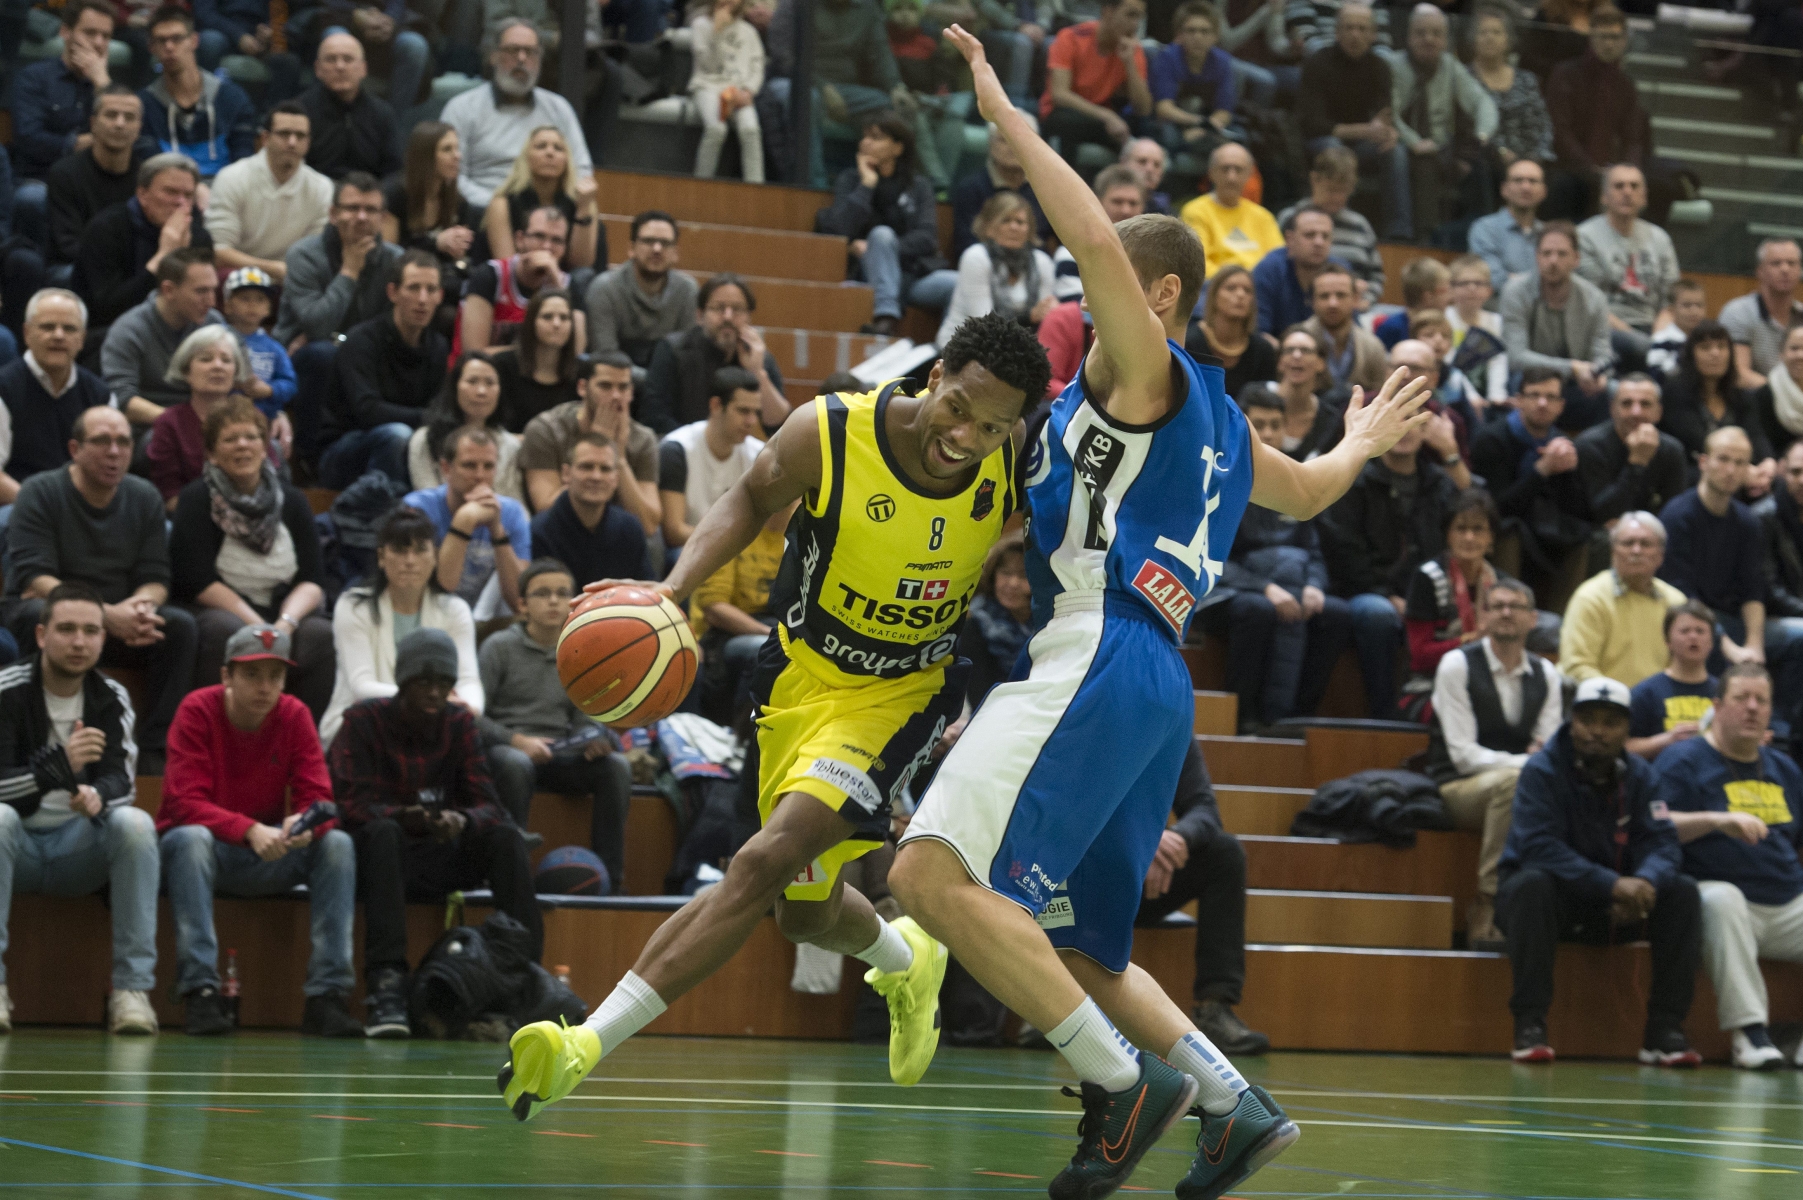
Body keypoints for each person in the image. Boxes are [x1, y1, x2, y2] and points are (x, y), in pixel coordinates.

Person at [886, 30, 1431, 1197]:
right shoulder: (1231, 432)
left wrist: (1009, 122)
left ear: (1158, 295)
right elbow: (1314, 488)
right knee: (1081, 946)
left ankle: (1123, 1086)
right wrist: (1359, 443)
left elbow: (1089, 230)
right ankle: (1233, 1107)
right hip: (1153, 683)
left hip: (1094, 650)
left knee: (927, 878)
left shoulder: (1147, 376)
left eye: (1107, 287)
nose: (1086, 302)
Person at [496, 307, 1052, 1128]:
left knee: (759, 865)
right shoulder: (828, 432)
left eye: (992, 425)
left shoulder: (1016, 470)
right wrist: (674, 591)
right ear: (935, 378)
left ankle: (584, 1045)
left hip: (900, 697)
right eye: (960, 408)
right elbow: (747, 501)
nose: (966, 435)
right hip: (794, 683)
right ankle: (908, 960)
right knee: (801, 911)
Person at [155, 622, 359, 1037]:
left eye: (275, 676)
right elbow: (182, 803)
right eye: (252, 674)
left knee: (336, 844)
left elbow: (320, 802)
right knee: (190, 839)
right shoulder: (197, 709)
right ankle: (200, 992)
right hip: (209, 851)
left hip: (271, 849)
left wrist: (304, 827)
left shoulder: (294, 714)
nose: (265, 687)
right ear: (226, 675)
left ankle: (327, 996)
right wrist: (249, 829)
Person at [332, 627, 536, 1038]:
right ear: (403, 682)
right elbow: (348, 803)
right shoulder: (362, 720)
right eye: (424, 683)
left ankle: (524, 976)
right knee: (383, 831)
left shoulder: (459, 723)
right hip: (381, 861)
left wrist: (463, 821)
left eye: (444, 684)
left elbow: (488, 804)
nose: (434, 693)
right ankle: (386, 984)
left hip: (441, 852)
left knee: (505, 838)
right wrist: (406, 816)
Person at [1494, 675, 1704, 1065]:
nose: (1597, 731)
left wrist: (1645, 882)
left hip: (1617, 906)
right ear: (1572, 721)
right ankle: (1529, 1025)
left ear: (1627, 729)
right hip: (1551, 904)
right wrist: (1611, 885)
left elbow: (1662, 843)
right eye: (1588, 720)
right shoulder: (1541, 770)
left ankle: (1664, 1031)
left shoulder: (1643, 776)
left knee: (1684, 892)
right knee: (1530, 884)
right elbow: (1539, 848)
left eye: (1610, 723)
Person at [0, 580, 158, 1036]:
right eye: (66, 629)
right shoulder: (8, 691)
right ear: (41, 635)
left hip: (78, 849)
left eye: (90, 631)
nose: (78, 641)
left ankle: (132, 991)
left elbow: (120, 781)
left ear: (103, 639)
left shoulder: (111, 697)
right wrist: (57, 768)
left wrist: (98, 796)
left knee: (134, 822)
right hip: (19, 844)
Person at [5, 406, 196, 771]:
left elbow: (156, 577)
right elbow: (36, 578)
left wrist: (140, 608)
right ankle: (31, 745)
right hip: (54, 614)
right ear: (75, 449)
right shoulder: (39, 491)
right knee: (33, 616)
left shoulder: (144, 496)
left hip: (121, 618)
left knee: (179, 627)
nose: (114, 452)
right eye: (102, 442)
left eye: (124, 442)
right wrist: (106, 617)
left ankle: (155, 753)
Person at [1657, 664, 1803, 1070]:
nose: (1753, 709)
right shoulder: (1681, 761)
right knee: (1724, 900)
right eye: (1742, 699)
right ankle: (1750, 1034)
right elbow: (1654, 827)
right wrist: (1717, 820)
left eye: (1762, 701)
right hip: (1717, 897)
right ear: (1717, 706)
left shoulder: (1785, 769)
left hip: (1785, 902)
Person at [1197, 388, 1351, 731]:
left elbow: (1314, 552)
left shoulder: (1296, 480)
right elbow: (1211, 558)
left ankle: (1297, 717)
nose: (1267, 434)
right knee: (1257, 610)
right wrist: (1265, 588)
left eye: (1275, 425)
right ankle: (1244, 716)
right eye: (1259, 425)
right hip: (1227, 591)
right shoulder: (1220, 480)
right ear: (1244, 428)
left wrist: (1314, 585)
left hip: (1290, 585)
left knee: (1335, 613)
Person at [169, 396, 331, 717]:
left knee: (319, 635)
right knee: (222, 630)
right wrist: (257, 627)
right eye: (230, 439)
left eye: (251, 437)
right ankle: (215, 732)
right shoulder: (195, 499)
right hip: (223, 608)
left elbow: (312, 580)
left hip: (282, 609)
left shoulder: (294, 500)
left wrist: (284, 626)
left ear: (265, 446)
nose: (242, 445)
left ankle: (299, 736)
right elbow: (197, 580)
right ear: (212, 454)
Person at [1427, 578, 1562, 949]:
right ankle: (1488, 903)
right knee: (1513, 784)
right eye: (1497, 606)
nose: (1506, 613)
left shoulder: (1547, 674)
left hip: (1519, 784)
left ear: (1533, 619)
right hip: (1456, 785)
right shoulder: (1457, 665)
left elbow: (1549, 753)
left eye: (1515, 607)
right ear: (1482, 616)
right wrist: (1525, 762)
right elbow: (1463, 756)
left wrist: (1532, 764)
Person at [479, 558, 634, 880]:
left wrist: (594, 738)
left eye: (563, 593)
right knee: (514, 764)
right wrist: (516, 741)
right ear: (522, 604)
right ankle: (510, 872)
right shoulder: (498, 647)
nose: (554, 601)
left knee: (617, 767)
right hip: (511, 750)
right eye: (543, 593)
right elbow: (473, 718)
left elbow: (586, 716)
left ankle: (611, 877)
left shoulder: (580, 652)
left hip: (562, 751)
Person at [1128, 737, 1268, 1056]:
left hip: (1145, 882)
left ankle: (1214, 1009)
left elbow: (1204, 811)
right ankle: (1047, 1003)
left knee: (1224, 854)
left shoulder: (1172, 732)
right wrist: (1142, 843)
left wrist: (1176, 838)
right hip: (1087, 876)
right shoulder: (1090, 724)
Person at [1659, 426, 1803, 719]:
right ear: (1703, 462)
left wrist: (1754, 644)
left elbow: (1753, 588)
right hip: (1693, 622)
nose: (1731, 470)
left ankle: (1780, 730)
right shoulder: (1678, 516)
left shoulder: (1747, 520)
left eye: (1740, 463)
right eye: (1723, 459)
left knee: (1798, 637)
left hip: (1735, 620)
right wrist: (1731, 648)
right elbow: (1683, 597)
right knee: (1701, 641)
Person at [1322, 418, 1461, 717]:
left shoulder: (1439, 483)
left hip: (1424, 593)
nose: (1404, 430)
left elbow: (1464, 532)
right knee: (1378, 616)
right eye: (1398, 420)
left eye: (1413, 422)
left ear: (1426, 431)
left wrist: (1419, 599)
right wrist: (1386, 594)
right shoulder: (1356, 479)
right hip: (1365, 591)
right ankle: (1383, 714)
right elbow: (1345, 551)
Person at [320, 506, 482, 748]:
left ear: (435, 556)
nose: (410, 561)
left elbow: (468, 681)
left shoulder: (455, 610)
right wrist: (433, 700)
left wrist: (470, 705)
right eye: (399, 550)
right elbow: (361, 687)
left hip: (436, 722)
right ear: (381, 557)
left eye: (420, 551)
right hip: (365, 726)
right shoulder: (353, 605)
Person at [318, 251, 449, 488]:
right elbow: (367, 411)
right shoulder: (362, 340)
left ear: (440, 296)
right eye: (413, 288)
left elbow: (438, 407)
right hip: (344, 449)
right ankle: (381, 514)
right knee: (397, 435)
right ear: (393, 293)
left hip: (410, 442)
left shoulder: (438, 346)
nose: (422, 299)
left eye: (431, 290)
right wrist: (428, 419)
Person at [440, 19, 592, 210]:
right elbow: (451, 176)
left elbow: (582, 169)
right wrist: (500, 208)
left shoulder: (558, 108)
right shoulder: (462, 108)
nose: (521, 58)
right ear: (494, 56)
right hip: (479, 212)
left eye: (530, 52)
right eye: (513, 50)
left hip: (546, 215)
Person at [816, 113, 943, 339]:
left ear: (897, 148)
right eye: (864, 137)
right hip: (868, 276)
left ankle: (948, 350)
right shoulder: (851, 180)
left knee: (956, 284)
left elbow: (927, 237)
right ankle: (885, 318)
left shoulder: (918, 186)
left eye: (876, 137)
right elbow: (838, 230)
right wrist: (866, 185)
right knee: (881, 234)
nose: (866, 142)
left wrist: (882, 248)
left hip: (911, 275)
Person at [12, 2, 124, 249]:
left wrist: (102, 84)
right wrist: (76, 144)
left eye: (105, 36)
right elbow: (28, 137)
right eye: (89, 32)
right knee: (32, 199)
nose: (98, 43)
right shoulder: (34, 78)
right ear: (65, 32)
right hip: (40, 178)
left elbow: (133, 139)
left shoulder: (111, 88)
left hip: (94, 183)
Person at [1467, 368, 1590, 591]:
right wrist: (1542, 470)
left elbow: (1578, 510)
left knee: (1583, 537)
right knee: (1510, 531)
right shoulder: (1491, 438)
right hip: (1508, 528)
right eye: (1534, 395)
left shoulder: (1562, 443)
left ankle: (1563, 619)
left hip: (1546, 529)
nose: (1543, 403)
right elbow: (1497, 508)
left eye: (1551, 397)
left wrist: (1570, 472)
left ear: (1561, 406)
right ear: (1519, 401)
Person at [1296, 2, 1408, 241]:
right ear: (1337, 32)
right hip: (1322, 142)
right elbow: (1313, 124)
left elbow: (1384, 116)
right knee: (1334, 150)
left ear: (1373, 35)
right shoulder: (1317, 63)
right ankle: (1327, 221)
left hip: (1361, 145)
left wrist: (1388, 132)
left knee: (1394, 151)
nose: (1355, 34)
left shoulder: (1380, 67)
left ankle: (1399, 231)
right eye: (1348, 28)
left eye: (1361, 28)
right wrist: (1365, 130)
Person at [1388, 3, 1497, 241]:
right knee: (1425, 162)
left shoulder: (1450, 66)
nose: (1429, 39)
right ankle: (1425, 238)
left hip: (1443, 148)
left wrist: (1482, 135)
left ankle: (1480, 237)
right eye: (1421, 33)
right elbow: (1388, 113)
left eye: (1436, 34)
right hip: (1405, 146)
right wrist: (1414, 142)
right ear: (1408, 37)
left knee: (1484, 165)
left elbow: (1483, 103)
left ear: (1446, 39)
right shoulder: (1393, 66)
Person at [75, 153, 213, 336]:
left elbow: (202, 305)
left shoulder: (199, 238)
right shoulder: (106, 229)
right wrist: (165, 256)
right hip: (109, 332)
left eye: (188, 195)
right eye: (171, 192)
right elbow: (106, 309)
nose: (180, 202)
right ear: (143, 194)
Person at [1543, 8, 1660, 221]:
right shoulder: (1565, 74)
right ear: (1591, 38)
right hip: (1567, 167)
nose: (1609, 43)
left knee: (1645, 186)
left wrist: (1627, 170)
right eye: (1603, 37)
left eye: (1615, 37)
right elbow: (1559, 131)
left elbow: (1633, 137)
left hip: (1609, 172)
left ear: (1625, 41)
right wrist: (1590, 169)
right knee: (1565, 186)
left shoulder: (1625, 84)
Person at [521, 353, 660, 530]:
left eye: (623, 387)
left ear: (631, 392)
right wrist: (594, 449)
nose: (616, 396)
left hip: (617, 535)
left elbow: (648, 525)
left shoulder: (643, 439)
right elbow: (546, 510)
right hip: (562, 534)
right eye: (605, 386)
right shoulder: (546, 430)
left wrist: (619, 458)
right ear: (582, 388)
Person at [403, 426, 531, 617]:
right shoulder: (418, 509)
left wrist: (497, 530)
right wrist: (464, 521)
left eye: (488, 466)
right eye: (469, 465)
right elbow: (439, 591)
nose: (480, 476)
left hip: (486, 621)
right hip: (429, 616)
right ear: (446, 468)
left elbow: (519, 602)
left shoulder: (511, 512)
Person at [685, 496, 791, 722]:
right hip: (724, 636)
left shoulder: (805, 533)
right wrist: (772, 635)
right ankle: (742, 740)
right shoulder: (732, 528)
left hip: (779, 626)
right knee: (769, 650)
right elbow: (714, 609)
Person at [641, 274, 788, 437]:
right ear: (699, 316)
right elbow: (655, 418)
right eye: (718, 308)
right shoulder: (673, 350)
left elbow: (778, 425)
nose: (728, 317)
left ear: (748, 317)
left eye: (737, 309)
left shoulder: (758, 356)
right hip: (684, 452)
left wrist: (757, 372)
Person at [1500, 223, 1614, 429]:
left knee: (1611, 393)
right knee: (1516, 383)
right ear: (1537, 256)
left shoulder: (1594, 298)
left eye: (1562, 254)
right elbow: (1516, 357)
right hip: (1531, 379)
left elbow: (1602, 352)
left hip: (1576, 383)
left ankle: (1589, 455)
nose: (1553, 261)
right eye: (1546, 253)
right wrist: (1572, 368)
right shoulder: (1515, 292)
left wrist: (1597, 374)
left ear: (1576, 259)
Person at [0, 291, 115, 494]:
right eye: (47, 327)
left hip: (81, 508)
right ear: (26, 333)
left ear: (82, 339)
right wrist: (40, 509)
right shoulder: (4, 388)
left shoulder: (100, 395)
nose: (58, 336)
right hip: (17, 509)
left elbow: (108, 470)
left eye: (69, 329)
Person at [205, 102, 333, 283]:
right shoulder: (231, 178)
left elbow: (314, 254)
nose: (292, 142)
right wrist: (273, 269)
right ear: (265, 138)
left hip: (292, 280)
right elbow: (218, 252)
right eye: (284, 134)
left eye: (300, 136)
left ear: (308, 143)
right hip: (238, 278)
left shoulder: (322, 188)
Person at [100, 248, 221, 438]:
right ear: (169, 290)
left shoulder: (213, 322)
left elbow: (242, 381)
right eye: (201, 291)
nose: (211, 301)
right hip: (150, 427)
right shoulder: (129, 330)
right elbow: (123, 400)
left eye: (213, 290)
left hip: (206, 419)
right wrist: (183, 423)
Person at [273, 173, 402, 350]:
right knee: (323, 351)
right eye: (353, 208)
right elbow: (317, 327)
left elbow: (396, 326)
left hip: (368, 350)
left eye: (371, 210)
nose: (362, 217)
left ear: (383, 219)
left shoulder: (396, 260)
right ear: (333, 214)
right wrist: (349, 272)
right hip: (306, 352)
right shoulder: (303, 255)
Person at [1559, 511, 1688, 687]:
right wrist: (1620, 700)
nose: (1636, 550)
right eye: (1628, 543)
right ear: (1613, 552)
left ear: (1660, 555)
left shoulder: (1676, 602)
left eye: (1645, 544)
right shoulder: (1590, 597)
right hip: (1602, 707)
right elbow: (1576, 667)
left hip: (1658, 706)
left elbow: (1685, 666)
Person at [1403, 487, 1512, 690]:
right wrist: (1471, 642)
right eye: (1461, 529)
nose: (1469, 537)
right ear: (1448, 535)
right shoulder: (1427, 578)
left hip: (1490, 684)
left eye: (1478, 529)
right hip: (1432, 684)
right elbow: (1419, 655)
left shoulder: (1502, 584)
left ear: (1491, 537)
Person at [1576, 165, 1680, 376]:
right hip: (1606, 328)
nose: (1627, 192)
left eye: (1634, 186)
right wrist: (1642, 341)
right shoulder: (1585, 236)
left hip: (1653, 327)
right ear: (1604, 197)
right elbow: (1588, 303)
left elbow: (1671, 300)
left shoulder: (1660, 238)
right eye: (1619, 186)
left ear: (1644, 197)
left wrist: (1657, 338)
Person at [145, 324, 261, 508]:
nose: (218, 366)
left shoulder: (252, 416)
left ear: (236, 372)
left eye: (226, 360)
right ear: (186, 371)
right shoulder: (169, 423)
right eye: (206, 359)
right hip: (193, 518)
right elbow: (170, 498)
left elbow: (271, 481)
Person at [381, 122, 482, 328]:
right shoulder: (395, 194)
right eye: (447, 150)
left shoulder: (457, 201)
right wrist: (435, 243)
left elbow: (461, 259)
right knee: (448, 314)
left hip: (441, 280)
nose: (457, 156)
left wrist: (458, 248)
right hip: (403, 284)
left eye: (457, 148)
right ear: (425, 156)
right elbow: (388, 256)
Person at [137, 6, 255, 179]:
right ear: (151, 47)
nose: (169, 47)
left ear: (194, 41)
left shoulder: (232, 99)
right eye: (161, 41)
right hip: (169, 196)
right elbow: (152, 171)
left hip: (224, 197)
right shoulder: (144, 105)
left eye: (177, 39)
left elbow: (243, 165)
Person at [44, 86, 148, 278]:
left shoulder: (147, 179)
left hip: (131, 268)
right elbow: (66, 245)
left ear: (139, 129)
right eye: (111, 115)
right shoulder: (65, 173)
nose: (120, 124)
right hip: (77, 266)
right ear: (93, 123)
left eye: (129, 117)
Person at [659, 369, 767, 552]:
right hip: (689, 548)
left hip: (739, 551)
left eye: (756, 413)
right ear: (716, 405)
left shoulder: (760, 455)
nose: (751, 421)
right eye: (743, 411)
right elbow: (674, 531)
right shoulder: (677, 449)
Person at [934, 192, 1056, 349]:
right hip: (965, 346)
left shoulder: (1042, 261)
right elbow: (984, 323)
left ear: (1029, 229)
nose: (1014, 227)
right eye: (1006, 220)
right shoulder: (975, 257)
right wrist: (1029, 317)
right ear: (989, 228)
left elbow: (1046, 314)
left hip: (1019, 349)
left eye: (1020, 222)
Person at [1661, 320, 1772, 492]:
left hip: (1741, 471)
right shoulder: (1675, 394)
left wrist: (1768, 462)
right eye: (1705, 347)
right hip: (1693, 473)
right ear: (1692, 356)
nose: (1715, 353)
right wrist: (1741, 472)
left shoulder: (1741, 396)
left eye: (1722, 347)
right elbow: (1700, 444)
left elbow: (1756, 435)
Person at [531, 433, 653, 589]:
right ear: (566, 474)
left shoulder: (630, 528)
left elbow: (646, 590)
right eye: (586, 467)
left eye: (605, 469)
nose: (596, 476)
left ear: (616, 479)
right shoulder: (540, 531)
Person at [1038, 0, 1152, 165]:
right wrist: (1106, 116)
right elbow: (1059, 95)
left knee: (1142, 131)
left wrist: (1129, 64)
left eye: (1139, 17)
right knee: (1065, 125)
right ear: (1107, 12)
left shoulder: (1133, 49)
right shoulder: (1071, 37)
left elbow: (1144, 108)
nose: (1135, 24)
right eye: (1130, 15)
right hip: (1062, 114)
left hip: (1099, 121)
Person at [454, 205, 578, 358]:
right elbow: (475, 353)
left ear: (565, 248)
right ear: (520, 239)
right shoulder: (489, 276)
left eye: (557, 240)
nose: (547, 247)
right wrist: (538, 353)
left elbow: (574, 355)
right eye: (539, 236)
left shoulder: (568, 285)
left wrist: (556, 287)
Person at [1275, 145, 1384, 308]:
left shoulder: (1360, 225)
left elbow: (1376, 276)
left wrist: (1366, 298)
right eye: (1332, 190)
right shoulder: (1289, 218)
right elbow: (1277, 268)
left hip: (1353, 309)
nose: (1338, 197)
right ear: (1314, 180)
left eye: (1344, 191)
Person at [481, 126, 600, 274]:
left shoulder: (582, 202)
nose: (550, 153)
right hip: (515, 285)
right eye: (541, 146)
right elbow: (508, 267)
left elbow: (582, 265)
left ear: (567, 159)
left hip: (563, 286)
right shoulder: (502, 203)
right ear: (526, 157)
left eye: (558, 148)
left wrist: (583, 209)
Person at [585, 212, 698, 367]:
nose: (657, 249)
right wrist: (655, 382)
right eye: (648, 241)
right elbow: (606, 356)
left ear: (675, 253)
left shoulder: (687, 291)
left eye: (665, 243)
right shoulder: (604, 288)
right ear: (631, 248)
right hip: (615, 384)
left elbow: (688, 357)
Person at [1576, 375, 1687, 526]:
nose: (1636, 412)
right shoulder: (1589, 446)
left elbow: (1674, 514)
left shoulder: (1672, 450)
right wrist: (1637, 463)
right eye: (1627, 404)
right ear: (1612, 409)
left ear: (1658, 412)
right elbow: (1603, 514)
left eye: (1645, 404)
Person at [408, 353, 522, 501]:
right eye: (472, 381)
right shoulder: (424, 440)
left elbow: (516, 506)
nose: (481, 391)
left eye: (490, 383)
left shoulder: (510, 445)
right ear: (455, 387)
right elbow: (426, 503)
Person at [298, 31, 401, 181]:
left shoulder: (383, 113)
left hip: (369, 198)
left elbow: (394, 171)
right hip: (317, 197)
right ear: (317, 69)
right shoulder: (299, 112)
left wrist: (377, 197)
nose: (340, 66)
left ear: (363, 69)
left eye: (348, 59)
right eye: (331, 59)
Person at [1626, 600, 1716, 761]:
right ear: (1668, 641)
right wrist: (1667, 740)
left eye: (1700, 631)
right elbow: (1623, 746)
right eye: (1685, 631)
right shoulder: (1646, 692)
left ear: (1711, 642)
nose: (1693, 636)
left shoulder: (1725, 693)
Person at [219, 269, 296, 456]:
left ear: (269, 309)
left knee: (276, 451)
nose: (252, 305)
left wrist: (268, 390)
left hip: (263, 420)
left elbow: (290, 383)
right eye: (245, 298)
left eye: (260, 300)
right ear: (228, 306)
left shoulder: (274, 347)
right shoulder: (218, 338)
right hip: (222, 416)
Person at [1468, 3, 1553, 173]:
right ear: (1472, 39)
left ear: (1508, 39)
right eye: (1483, 32)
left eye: (1496, 32)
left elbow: (1543, 126)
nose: (1489, 37)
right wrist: (1499, 152)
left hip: (1529, 164)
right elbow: (1467, 128)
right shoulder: (1464, 79)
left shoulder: (1527, 79)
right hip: (1483, 164)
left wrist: (1536, 159)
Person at [690, 0, 766, 182]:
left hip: (739, 92)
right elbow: (708, 64)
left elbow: (758, 65)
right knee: (716, 129)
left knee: (751, 130)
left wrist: (749, 91)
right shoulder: (700, 25)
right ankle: (701, 185)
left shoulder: (749, 31)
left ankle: (756, 188)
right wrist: (717, 31)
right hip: (708, 86)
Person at [955, 529, 1031, 708]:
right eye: (1006, 573)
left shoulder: (1052, 625)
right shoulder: (974, 627)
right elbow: (981, 700)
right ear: (993, 574)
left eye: (1023, 575)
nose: (1013, 583)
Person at [1150, 2, 1237, 157]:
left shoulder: (1223, 62)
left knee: (1239, 139)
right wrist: (1197, 123)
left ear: (1215, 36)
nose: (1198, 37)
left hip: (1206, 125)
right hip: (1173, 122)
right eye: (1191, 31)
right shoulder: (1167, 58)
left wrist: (1204, 128)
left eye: (1205, 31)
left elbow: (1224, 111)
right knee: (1169, 138)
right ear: (1179, 35)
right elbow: (1164, 108)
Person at [1179, 144, 1280, 276]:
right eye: (1225, 169)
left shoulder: (1263, 216)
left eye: (1238, 170)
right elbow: (1197, 264)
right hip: (1214, 289)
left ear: (1249, 175)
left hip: (1259, 290)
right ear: (1211, 173)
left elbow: (1277, 262)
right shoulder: (1195, 212)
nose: (1231, 177)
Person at [1050, 167, 1146, 303]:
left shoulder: (1153, 254)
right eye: (1117, 201)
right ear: (1098, 202)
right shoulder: (1071, 252)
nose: (1126, 210)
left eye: (1133, 203)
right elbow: (1076, 308)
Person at [489, 289, 581, 430]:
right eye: (547, 317)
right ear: (531, 322)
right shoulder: (503, 366)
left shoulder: (582, 372)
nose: (556, 324)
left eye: (564, 318)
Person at [950, 130, 1049, 259]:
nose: (1012, 146)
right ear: (991, 145)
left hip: (1033, 266)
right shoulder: (970, 188)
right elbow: (965, 243)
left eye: (1021, 140)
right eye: (1004, 140)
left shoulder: (1046, 190)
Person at [1722, 238, 1803, 391]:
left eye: (1792, 263)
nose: (1785, 269)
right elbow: (1738, 373)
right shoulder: (1738, 312)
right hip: (1751, 404)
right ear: (1760, 271)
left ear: (1799, 270)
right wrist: (1786, 394)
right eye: (1776, 263)